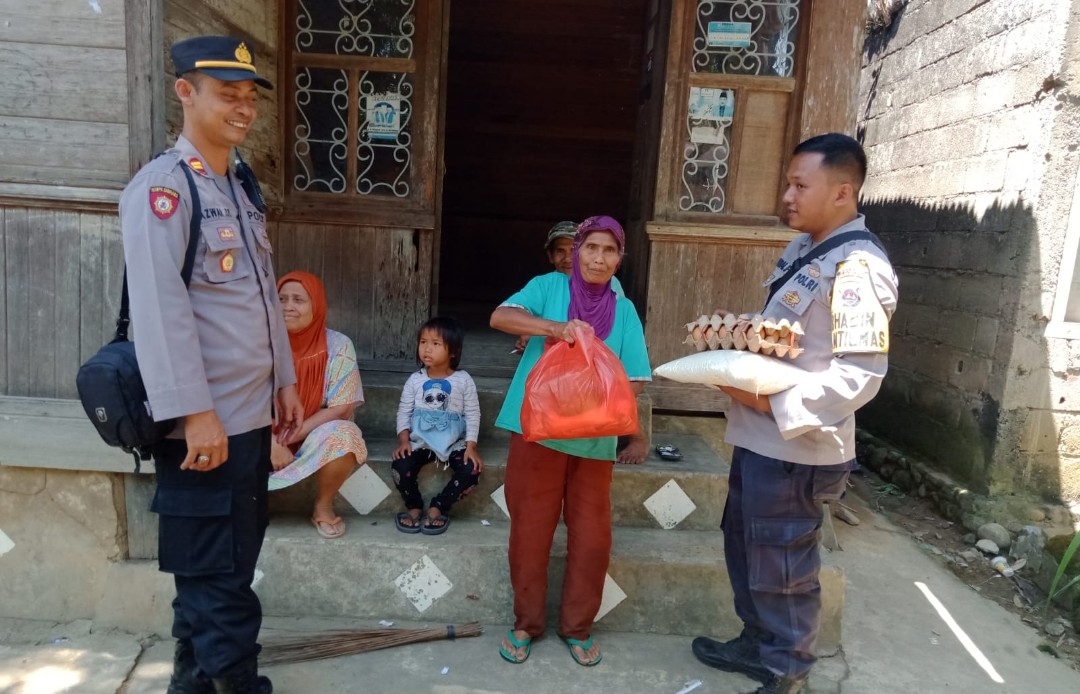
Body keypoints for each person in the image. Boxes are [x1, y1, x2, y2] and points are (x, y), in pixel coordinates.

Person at [120, 36, 301, 694]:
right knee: (220, 584)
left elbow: (262, 293)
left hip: (247, 422)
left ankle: (191, 685)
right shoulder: (164, 190)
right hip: (205, 430)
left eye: (250, 96)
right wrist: (196, 414)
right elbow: (160, 312)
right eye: (228, 95)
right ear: (185, 93)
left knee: (218, 569)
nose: (244, 108)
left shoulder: (238, 186)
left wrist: (285, 379)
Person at [690, 133, 898, 694]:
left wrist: (773, 403)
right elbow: (791, 339)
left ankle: (788, 674)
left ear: (842, 192)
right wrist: (738, 341)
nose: (787, 196)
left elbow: (859, 376)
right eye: (788, 183)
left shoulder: (858, 268)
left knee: (782, 567)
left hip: (797, 448)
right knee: (746, 546)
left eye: (800, 185)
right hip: (760, 439)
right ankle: (757, 644)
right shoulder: (805, 250)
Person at [490, 215, 651, 667]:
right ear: (577, 252)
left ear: (620, 258)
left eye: (609, 250)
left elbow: (636, 377)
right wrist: (556, 329)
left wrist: (589, 407)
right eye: (591, 248)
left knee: (592, 538)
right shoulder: (548, 288)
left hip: (594, 440)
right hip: (536, 432)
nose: (598, 258)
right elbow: (500, 317)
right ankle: (526, 623)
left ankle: (577, 627)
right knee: (530, 531)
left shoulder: (624, 310)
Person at [269, 271, 369, 540]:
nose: (288, 306)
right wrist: (269, 441)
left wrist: (284, 439)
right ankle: (251, 500)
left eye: (299, 300)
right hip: (259, 433)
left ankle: (323, 505)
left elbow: (341, 408)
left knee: (345, 434)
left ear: (317, 305)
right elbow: (239, 398)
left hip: (310, 437)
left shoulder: (338, 345)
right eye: (281, 299)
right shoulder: (257, 342)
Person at [391, 316, 484, 535]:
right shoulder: (415, 380)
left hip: (454, 443)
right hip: (420, 441)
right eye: (423, 342)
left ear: (453, 351)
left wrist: (471, 446)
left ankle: (439, 507)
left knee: (472, 470)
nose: (427, 349)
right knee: (400, 466)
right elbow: (404, 411)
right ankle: (414, 506)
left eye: (435, 343)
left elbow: (472, 413)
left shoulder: (463, 380)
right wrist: (404, 440)